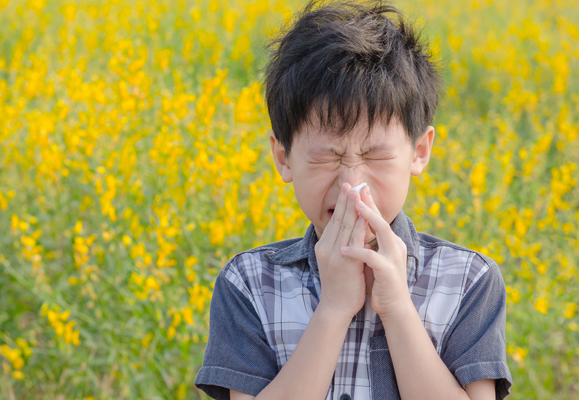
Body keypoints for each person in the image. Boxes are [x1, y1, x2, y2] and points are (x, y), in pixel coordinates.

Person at [194, 0, 513, 399]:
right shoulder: (250, 283)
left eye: (375, 155)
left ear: (419, 152)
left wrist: (397, 307)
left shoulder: (468, 281)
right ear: (283, 158)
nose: (352, 185)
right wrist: (333, 309)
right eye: (326, 156)